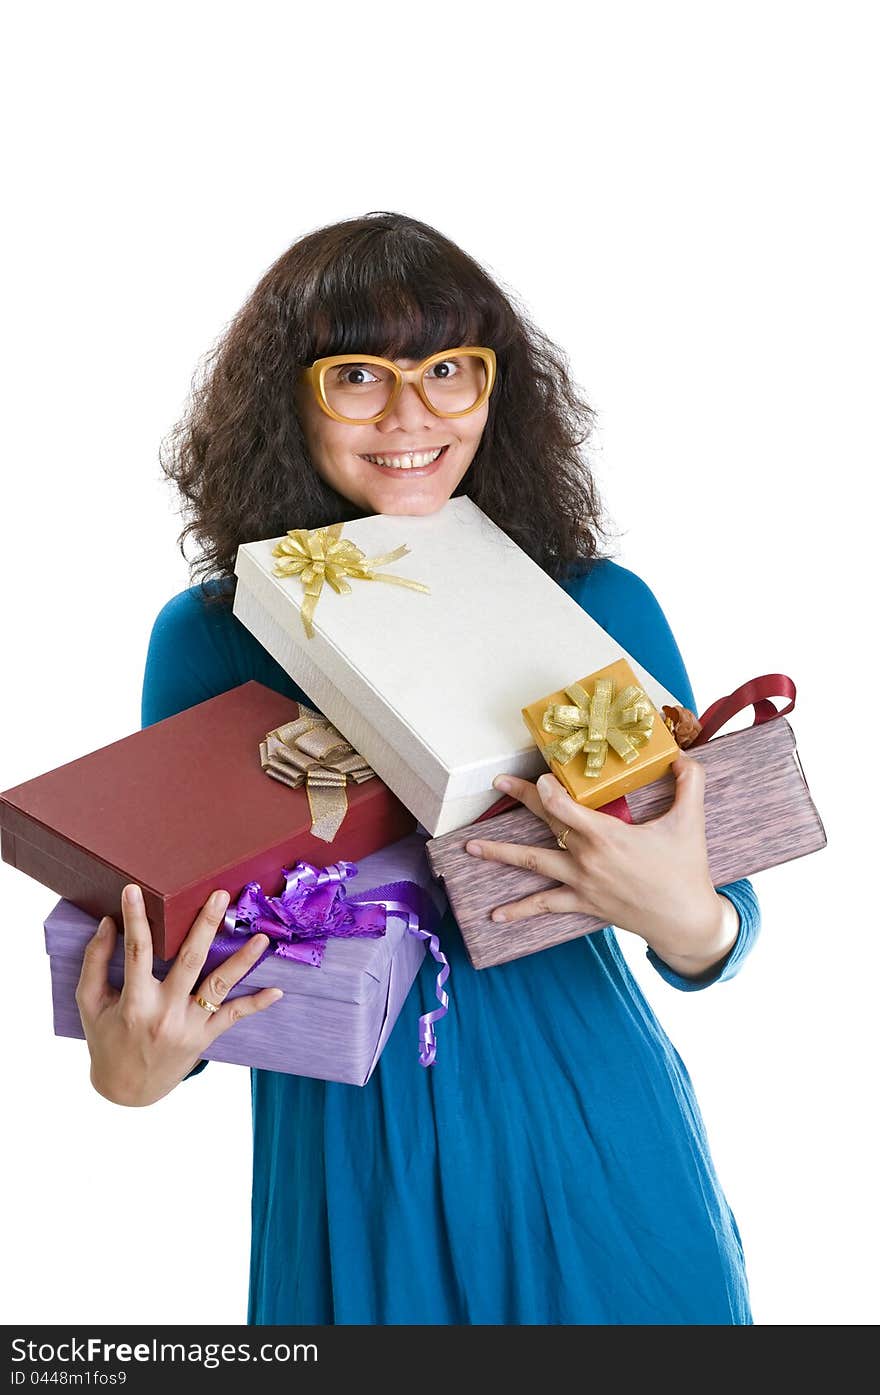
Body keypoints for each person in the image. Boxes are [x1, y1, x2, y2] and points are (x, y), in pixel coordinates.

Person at [75, 211, 760, 1325]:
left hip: (595, 1141)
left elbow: (720, 916)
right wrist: (133, 1072)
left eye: (449, 369)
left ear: (496, 391)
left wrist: (689, 918)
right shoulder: (208, 637)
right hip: (347, 1175)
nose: (411, 415)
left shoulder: (594, 606)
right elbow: (176, 964)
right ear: (286, 398)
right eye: (357, 376)